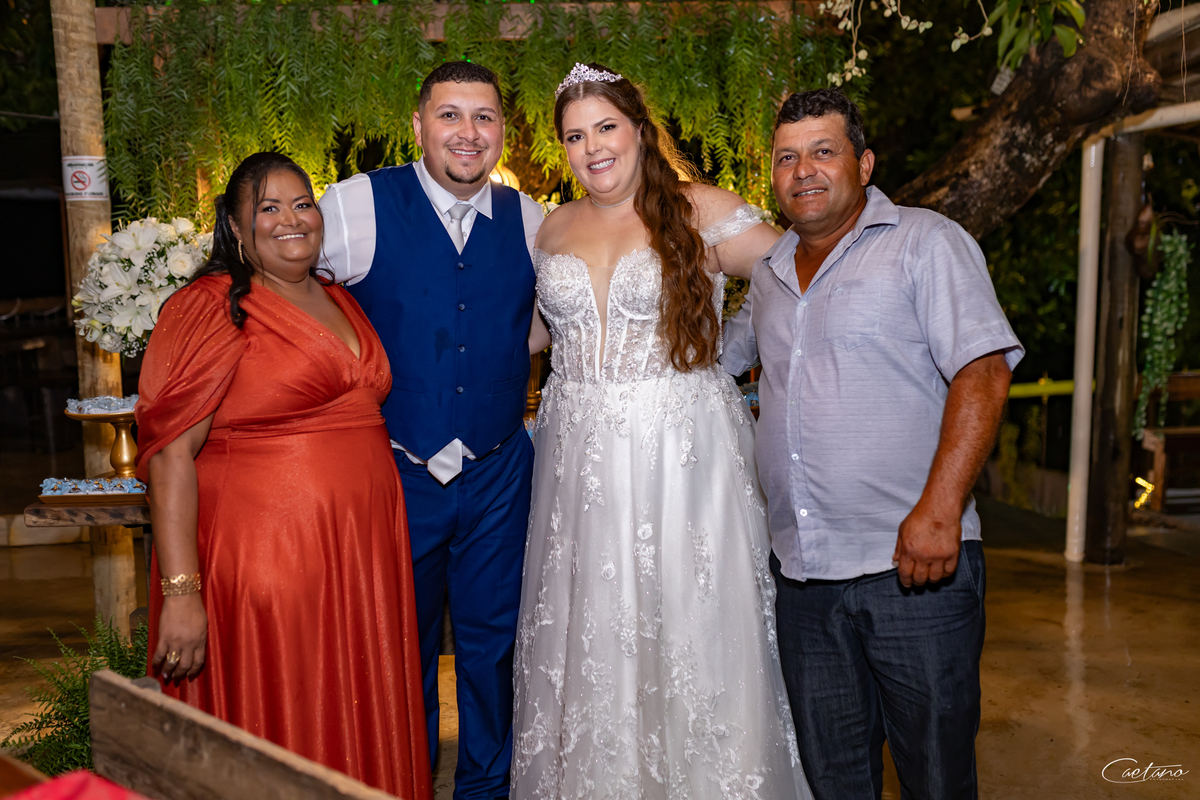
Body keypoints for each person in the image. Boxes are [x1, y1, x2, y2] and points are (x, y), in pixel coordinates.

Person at [511, 63, 812, 799]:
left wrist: (729, 353)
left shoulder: (699, 210)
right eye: (574, 136)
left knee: (688, 622)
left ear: (640, 131)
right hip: (577, 458)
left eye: (606, 127)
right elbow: (535, 337)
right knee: (590, 627)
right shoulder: (553, 226)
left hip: (680, 452)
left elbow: (799, 277)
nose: (592, 148)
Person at [722, 88, 1023, 800]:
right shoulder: (768, 275)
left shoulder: (926, 242)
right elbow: (706, 364)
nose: (803, 170)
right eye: (787, 158)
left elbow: (982, 372)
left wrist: (941, 510)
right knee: (834, 780)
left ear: (863, 163)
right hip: (803, 580)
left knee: (936, 777)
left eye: (823, 152)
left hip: (912, 568)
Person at [136, 152, 431, 799]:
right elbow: (171, 456)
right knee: (288, 715)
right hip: (268, 565)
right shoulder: (212, 306)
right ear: (235, 227)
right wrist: (182, 593)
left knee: (357, 714)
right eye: (268, 208)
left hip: (358, 563)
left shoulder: (339, 298)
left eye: (302, 204)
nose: (291, 219)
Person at [318, 62, 544, 799]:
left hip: (499, 470)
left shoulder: (531, 219)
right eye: (450, 115)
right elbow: (289, 300)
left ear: (503, 130)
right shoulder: (356, 205)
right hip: (395, 470)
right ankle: (402, 784)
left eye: (484, 116)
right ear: (418, 126)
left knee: (495, 649)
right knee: (397, 649)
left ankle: (487, 789)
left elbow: (542, 325)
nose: (468, 132)